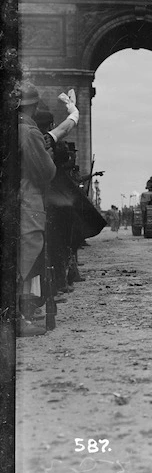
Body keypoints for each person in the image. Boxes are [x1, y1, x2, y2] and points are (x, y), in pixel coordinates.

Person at [17, 82, 57, 336]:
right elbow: (45, 172)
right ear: (33, 106)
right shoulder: (29, 132)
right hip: (27, 198)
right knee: (27, 253)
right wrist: (48, 152)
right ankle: (18, 317)